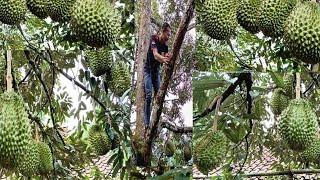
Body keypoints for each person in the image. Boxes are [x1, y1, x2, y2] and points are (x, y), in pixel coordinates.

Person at [144, 22, 172, 129]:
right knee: (148, 96)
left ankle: (156, 120)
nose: (169, 37)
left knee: (159, 96)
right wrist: (163, 58)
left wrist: (167, 58)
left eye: (170, 35)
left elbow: (162, 61)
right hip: (148, 71)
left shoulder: (165, 46)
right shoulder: (154, 38)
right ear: (162, 32)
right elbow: (156, 55)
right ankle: (147, 123)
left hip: (156, 72)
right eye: (168, 34)